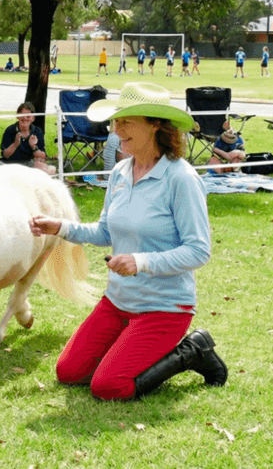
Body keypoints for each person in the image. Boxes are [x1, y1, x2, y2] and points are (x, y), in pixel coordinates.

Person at [29, 82, 226, 401]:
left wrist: (141, 262)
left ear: (155, 124)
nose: (116, 130)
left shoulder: (181, 179)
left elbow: (198, 250)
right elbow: (105, 232)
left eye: (126, 122)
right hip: (118, 301)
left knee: (108, 387)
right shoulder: (121, 172)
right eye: (115, 121)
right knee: (69, 372)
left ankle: (191, 352)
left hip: (164, 308)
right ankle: (126, 343)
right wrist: (60, 227)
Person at [0, 102, 52, 173]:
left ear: (33, 118)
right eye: (22, 115)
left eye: (28, 116)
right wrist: (15, 144)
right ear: (17, 116)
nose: (25, 118)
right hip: (10, 164)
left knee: (48, 169)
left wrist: (33, 147)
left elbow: (42, 156)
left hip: (28, 163)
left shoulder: (37, 131)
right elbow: (5, 155)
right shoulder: (10, 130)